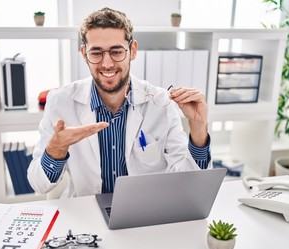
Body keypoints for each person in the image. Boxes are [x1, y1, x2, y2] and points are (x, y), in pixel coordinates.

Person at [27, 7, 211, 197]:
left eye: (116, 51)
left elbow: (188, 183)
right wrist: (56, 149)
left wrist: (198, 128)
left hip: (145, 211)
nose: (107, 64)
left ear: (132, 51)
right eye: (96, 53)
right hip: (87, 211)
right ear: (84, 54)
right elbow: (39, 185)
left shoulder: (160, 103)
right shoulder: (60, 102)